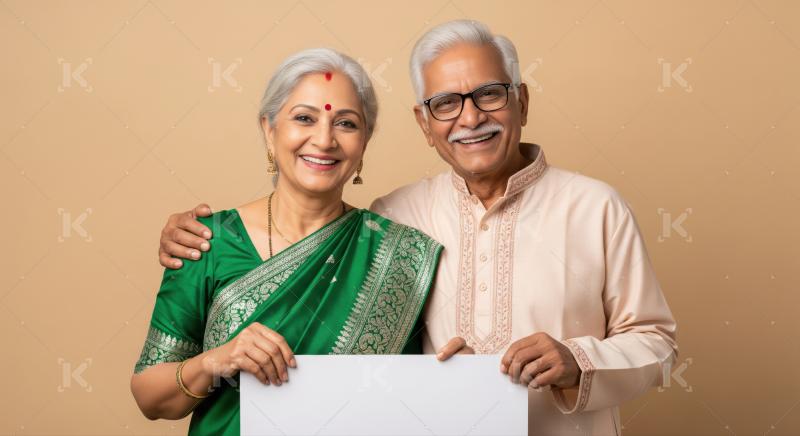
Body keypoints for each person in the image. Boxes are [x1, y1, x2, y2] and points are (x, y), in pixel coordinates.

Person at [158, 20, 678, 435]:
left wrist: (576, 360)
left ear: (521, 100)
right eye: (445, 104)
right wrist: (189, 232)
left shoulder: (596, 208)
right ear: (424, 124)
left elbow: (657, 345)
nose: (470, 118)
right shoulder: (393, 217)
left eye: (490, 94)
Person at [130, 48, 442, 436]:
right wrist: (217, 361)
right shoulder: (208, 242)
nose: (324, 139)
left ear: (364, 143)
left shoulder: (401, 255)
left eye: (346, 123)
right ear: (269, 128)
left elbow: (408, 402)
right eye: (304, 118)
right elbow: (150, 398)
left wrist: (454, 377)